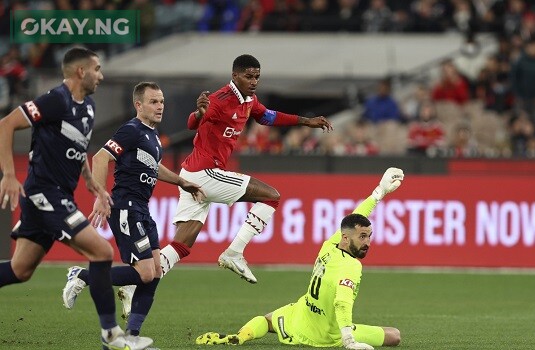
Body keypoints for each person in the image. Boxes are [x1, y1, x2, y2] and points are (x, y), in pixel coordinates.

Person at [0, 47, 153, 350]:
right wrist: (8, 174)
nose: (102, 75)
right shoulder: (56, 100)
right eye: (97, 68)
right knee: (101, 252)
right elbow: (6, 124)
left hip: (56, 195)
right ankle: (112, 334)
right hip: (45, 194)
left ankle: (112, 334)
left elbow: (77, 145)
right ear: (81, 71)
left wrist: (89, 181)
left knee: (20, 270)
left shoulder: (89, 108)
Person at [155, 54, 332, 284]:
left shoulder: (249, 100)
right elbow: (192, 122)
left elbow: (267, 117)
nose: (253, 81)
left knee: (181, 245)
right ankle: (234, 253)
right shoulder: (219, 99)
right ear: (235, 76)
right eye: (248, 76)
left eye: (257, 77)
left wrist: (305, 121)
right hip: (205, 173)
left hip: (191, 174)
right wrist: (199, 113)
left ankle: (133, 284)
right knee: (271, 196)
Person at [195, 167, 404, 349]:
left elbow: (356, 216)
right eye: (363, 237)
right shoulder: (351, 265)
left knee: (266, 321)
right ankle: (342, 337)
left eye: (369, 236)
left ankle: (240, 337)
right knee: (394, 335)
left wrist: (379, 193)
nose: (367, 242)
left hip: (301, 316)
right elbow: (342, 302)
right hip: (326, 335)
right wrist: (348, 339)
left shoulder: (330, 245)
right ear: (347, 238)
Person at [60, 82, 205, 342]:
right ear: (138, 105)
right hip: (126, 207)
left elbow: (155, 168)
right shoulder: (131, 130)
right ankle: (81, 275)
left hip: (143, 210)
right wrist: (101, 195)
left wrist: (182, 181)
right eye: (153, 102)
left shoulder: (153, 137)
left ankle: (133, 335)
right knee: (145, 273)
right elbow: (101, 158)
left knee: (156, 272)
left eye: (161, 101)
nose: (160, 106)